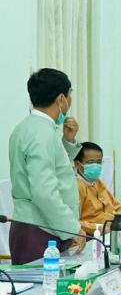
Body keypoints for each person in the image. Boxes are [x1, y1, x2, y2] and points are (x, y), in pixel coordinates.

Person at [8, 68, 85, 264]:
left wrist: (67, 142)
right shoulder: (42, 134)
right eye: (70, 95)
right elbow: (44, 192)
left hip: (38, 226)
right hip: (40, 230)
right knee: (45, 284)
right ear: (61, 99)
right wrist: (72, 228)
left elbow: (52, 169)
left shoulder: (28, 127)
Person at [74, 142, 121, 234]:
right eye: (91, 162)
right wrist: (99, 228)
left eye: (99, 162)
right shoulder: (75, 186)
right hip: (93, 235)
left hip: (114, 229)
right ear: (77, 164)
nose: (96, 166)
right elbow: (73, 222)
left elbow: (117, 206)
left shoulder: (97, 182)